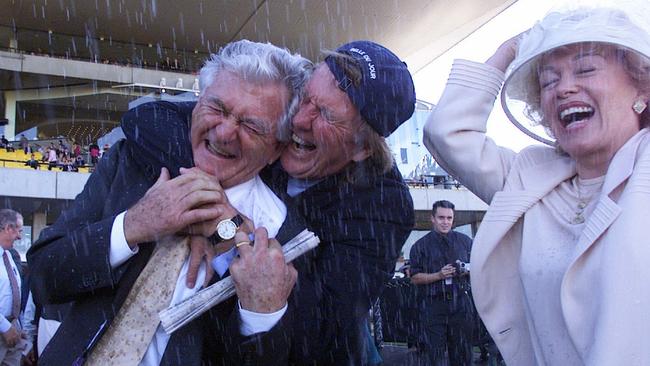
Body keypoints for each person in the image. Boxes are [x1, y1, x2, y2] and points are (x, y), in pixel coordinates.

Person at [121, 40, 416, 364]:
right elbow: (148, 119)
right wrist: (203, 203)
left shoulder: (383, 207)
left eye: (326, 115)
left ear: (362, 149)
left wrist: (229, 231)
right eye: (306, 98)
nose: (299, 120)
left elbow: (321, 328)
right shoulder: (273, 124)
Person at [26, 40, 310, 366]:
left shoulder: (285, 234)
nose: (224, 133)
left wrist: (262, 313)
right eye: (217, 108)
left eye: (251, 125)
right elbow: (43, 277)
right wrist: (133, 225)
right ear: (197, 103)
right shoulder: (132, 165)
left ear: (276, 148)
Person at [424, 6, 650, 365]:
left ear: (642, 87)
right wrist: (508, 50)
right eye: (548, 80)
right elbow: (445, 132)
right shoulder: (529, 176)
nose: (564, 88)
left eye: (586, 69)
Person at [408, 200, 473, 365]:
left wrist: (467, 270)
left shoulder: (465, 241)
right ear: (432, 218)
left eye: (449, 218)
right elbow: (414, 277)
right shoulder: (420, 246)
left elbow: (478, 268)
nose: (445, 222)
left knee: (463, 354)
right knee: (433, 355)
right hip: (433, 305)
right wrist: (438, 275)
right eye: (441, 217)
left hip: (461, 304)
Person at [0, 209, 27, 365]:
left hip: (12, 332)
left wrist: (17, 326)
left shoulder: (8, 256)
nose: (20, 236)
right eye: (19, 230)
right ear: (9, 228)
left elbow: (14, 294)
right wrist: (5, 327)